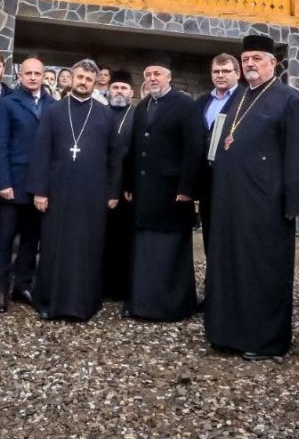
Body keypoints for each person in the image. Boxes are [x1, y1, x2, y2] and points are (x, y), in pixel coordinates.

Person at [205, 34, 299, 360]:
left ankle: (263, 340)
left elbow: (298, 154)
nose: (250, 63)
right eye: (246, 58)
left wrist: (295, 203)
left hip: (266, 204)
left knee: (261, 271)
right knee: (228, 266)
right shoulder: (237, 98)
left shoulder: (288, 99)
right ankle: (226, 333)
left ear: (273, 64)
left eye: (257, 59)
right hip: (229, 201)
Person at [28, 60, 122, 321]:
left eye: (88, 80)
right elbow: (41, 152)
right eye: (79, 77)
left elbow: (115, 157)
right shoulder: (53, 111)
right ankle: (50, 302)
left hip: (92, 195)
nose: (83, 82)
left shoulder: (105, 114)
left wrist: (113, 192)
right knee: (54, 246)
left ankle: (84, 304)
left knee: (87, 247)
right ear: (71, 78)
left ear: (95, 83)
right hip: (57, 192)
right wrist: (39, 191)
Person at [123, 52, 204, 321]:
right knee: (145, 252)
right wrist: (129, 182)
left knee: (169, 253)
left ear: (168, 77)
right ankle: (142, 303)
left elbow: (195, 149)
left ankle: (171, 306)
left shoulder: (185, 105)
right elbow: (134, 148)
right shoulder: (141, 106)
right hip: (146, 193)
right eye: (148, 74)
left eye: (157, 74)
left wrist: (188, 188)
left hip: (173, 195)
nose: (152, 78)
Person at [0, 56, 53, 312]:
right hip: (13, 184)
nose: (33, 77)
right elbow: (0, 144)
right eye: (28, 73)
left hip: (39, 186)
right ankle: (1, 290)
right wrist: (3, 181)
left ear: (43, 75)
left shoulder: (54, 105)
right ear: (20, 75)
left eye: (37, 73)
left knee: (31, 239)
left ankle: (22, 285)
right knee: (4, 239)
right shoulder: (8, 104)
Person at [196, 53, 239, 252]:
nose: (220, 75)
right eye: (216, 71)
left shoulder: (244, 99)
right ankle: (212, 277)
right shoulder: (202, 101)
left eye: (226, 71)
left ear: (237, 74)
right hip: (206, 179)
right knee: (210, 230)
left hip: (232, 178)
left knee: (231, 232)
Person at [102, 69, 137, 300]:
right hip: (98, 184)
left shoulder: (137, 116)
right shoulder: (99, 113)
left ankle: (119, 288)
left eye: (123, 88)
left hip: (125, 188)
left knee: (121, 240)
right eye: (115, 87)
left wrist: (130, 184)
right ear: (108, 90)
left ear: (131, 92)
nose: (119, 92)